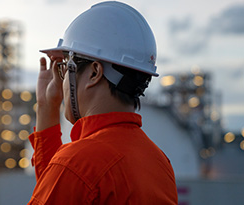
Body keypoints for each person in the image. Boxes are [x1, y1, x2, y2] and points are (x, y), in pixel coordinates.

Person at [27, 1, 178, 204]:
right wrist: (47, 105)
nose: (61, 82)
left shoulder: (77, 165)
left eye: (64, 69)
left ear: (94, 72)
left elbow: (67, 179)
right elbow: (58, 186)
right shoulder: (159, 163)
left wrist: (47, 108)